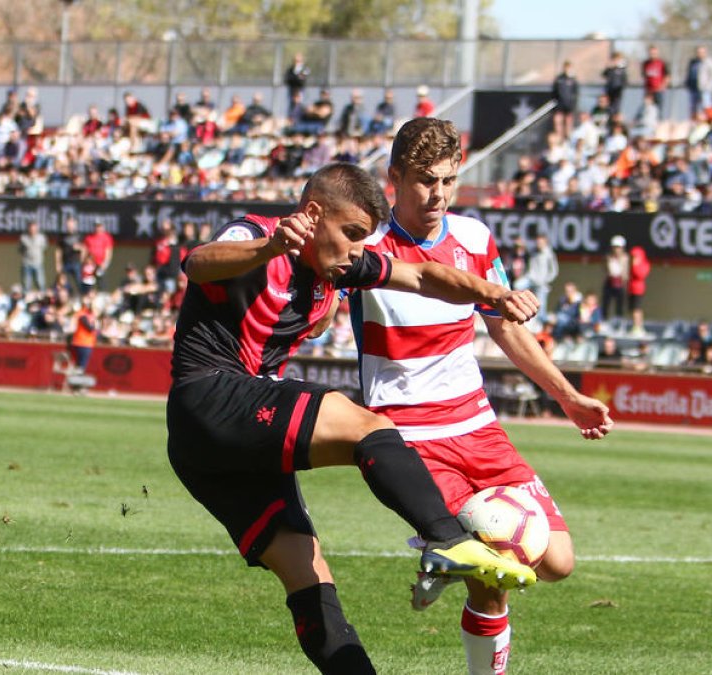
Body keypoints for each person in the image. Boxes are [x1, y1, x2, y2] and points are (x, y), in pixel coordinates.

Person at [167, 162, 539, 675]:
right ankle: (446, 537)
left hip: (207, 449)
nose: (356, 250)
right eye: (351, 234)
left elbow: (424, 274)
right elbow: (199, 263)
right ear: (313, 214)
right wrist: (271, 246)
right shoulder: (256, 232)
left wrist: (494, 295)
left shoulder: (344, 264)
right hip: (211, 395)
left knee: (310, 576)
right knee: (369, 426)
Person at [349, 118, 612, 675]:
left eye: (448, 179)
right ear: (394, 177)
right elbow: (322, 313)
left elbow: (505, 328)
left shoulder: (473, 238)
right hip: (410, 437)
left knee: (558, 561)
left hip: (478, 427)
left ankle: (443, 555)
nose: (438, 193)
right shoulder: (366, 247)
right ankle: (450, 555)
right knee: (495, 582)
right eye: (424, 180)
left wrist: (566, 397)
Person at [517, 234, 558, 322]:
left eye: (541, 242)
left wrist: (546, 280)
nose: (539, 244)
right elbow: (524, 252)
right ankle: (518, 309)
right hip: (530, 279)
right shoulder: (533, 251)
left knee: (541, 309)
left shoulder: (549, 254)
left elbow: (554, 271)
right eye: (537, 242)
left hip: (541, 283)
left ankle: (546, 322)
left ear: (545, 243)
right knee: (517, 285)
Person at [685, 45, 712, 120]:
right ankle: (694, 121)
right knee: (693, 107)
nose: (700, 54)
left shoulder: (710, 62)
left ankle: (708, 121)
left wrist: (708, 86)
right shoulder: (693, 62)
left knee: (706, 106)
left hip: (705, 89)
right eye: (698, 52)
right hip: (693, 88)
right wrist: (688, 84)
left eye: (702, 52)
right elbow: (689, 74)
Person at [601, 235, 629, 322]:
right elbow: (605, 268)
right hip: (610, 282)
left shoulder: (625, 258)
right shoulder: (608, 257)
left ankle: (619, 322)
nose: (616, 250)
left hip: (620, 283)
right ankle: (604, 321)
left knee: (619, 305)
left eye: (618, 247)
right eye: (615, 247)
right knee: (606, 303)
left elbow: (626, 271)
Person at [56, 216, 85, 296]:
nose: (70, 226)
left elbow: (84, 249)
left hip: (76, 262)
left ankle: (82, 297)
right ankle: (69, 296)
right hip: (65, 262)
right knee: (64, 282)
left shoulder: (79, 235)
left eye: (71, 224)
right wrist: (58, 263)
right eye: (68, 224)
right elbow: (59, 250)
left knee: (79, 282)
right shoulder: (62, 236)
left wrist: (81, 260)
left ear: (75, 225)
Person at [83, 221, 115, 291]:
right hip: (90, 265)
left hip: (101, 264)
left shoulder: (107, 237)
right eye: (97, 226)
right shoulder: (89, 237)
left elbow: (108, 252)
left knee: (102, 284)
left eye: (100, 226)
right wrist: (85, 262)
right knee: (88, 285)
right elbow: (85, 250)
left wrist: (105, 264)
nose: (98, 228)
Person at [627, 245, 651, 337]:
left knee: (636, 309)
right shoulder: (630, 264)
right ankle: (634, 326)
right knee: (633, 309)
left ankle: (638, 327)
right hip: (631, 289)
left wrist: (635, 265)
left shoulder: (644, 264)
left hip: (638, 290)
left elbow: (640, 275)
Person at [551, 61, 579, 137]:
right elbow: (554, 92)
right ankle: (559, 137)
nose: (567, 69)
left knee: (568, 123)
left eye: (569, 67)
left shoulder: (573, 80)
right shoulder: (559, 79)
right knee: (558, 122)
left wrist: (573, 105)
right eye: (566, 67)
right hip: (560, 104)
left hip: (569, 105)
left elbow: (576, 93)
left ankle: (568, 138)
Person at [19, 222, 48, 292]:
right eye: (31, 228)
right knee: (26, 284)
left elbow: (44, 248)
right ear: (28, 228)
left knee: (41, 283)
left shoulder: (41, 238)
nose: (32, 230)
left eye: (34, 228)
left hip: (38, 263)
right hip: (27, 264)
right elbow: (20, 250)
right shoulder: (23, 238)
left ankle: (43, 298)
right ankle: (25, 299)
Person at [641, 45, 671, 113]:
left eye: (654, 53)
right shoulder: (645, 63)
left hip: (658, 90)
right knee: (647, 109)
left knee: (658, 109)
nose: (652, 55)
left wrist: (663, 86)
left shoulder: (662, 63)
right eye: (651, 53)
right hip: (649, 91)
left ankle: (658, 122)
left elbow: (667, 76)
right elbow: (644, 76)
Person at [601, 51, 628, 115]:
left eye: (617, 59)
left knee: (616, 108)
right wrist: (607, 67)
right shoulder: (610, 69)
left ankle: (615, 121)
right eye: (614, 59)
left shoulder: (622, 69)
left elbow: (625, 80)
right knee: (608, 107)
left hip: (617, 91)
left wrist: (621, 88)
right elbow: (604, 74)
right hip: (609, 90)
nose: (615, 61)